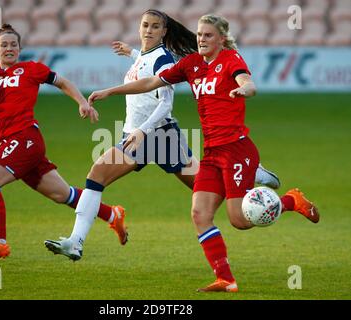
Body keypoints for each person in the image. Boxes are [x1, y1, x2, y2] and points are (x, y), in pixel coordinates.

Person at [87, 14, 320, 292]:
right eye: (199, 34)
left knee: (239, 220)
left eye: (208, 35)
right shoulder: (192, 64)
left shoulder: (231, 59)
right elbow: (151, 83)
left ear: (221, 39)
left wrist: (245, 90)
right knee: (200, 214)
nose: (201, 39)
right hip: (211, 152)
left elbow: (247, 81)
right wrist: (110, 91)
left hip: (236, 148)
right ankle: (226, 279)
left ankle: (291, 201)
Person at [44, 10, 280, 262]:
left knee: (208, 189)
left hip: (159, 135)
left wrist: (141, 130)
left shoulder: (163, 58)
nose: (148, 30)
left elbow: (165, 103)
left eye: (155, 27)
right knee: (97, 175)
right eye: (145, 25)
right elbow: (146, 72)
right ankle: (76, 243)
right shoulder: (143, 57)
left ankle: (248, 172)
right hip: (137, 134)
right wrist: (128, 58)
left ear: (164, 32)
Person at [0, 24, 128, 260]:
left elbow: (62, 82)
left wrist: (82, 102)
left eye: (13, 44)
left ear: (19, 49)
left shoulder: (31, 69)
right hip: (11, 143)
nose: (9, 48)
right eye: (4, 45)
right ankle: (112, 215)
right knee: (63, 195)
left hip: (25, 137)